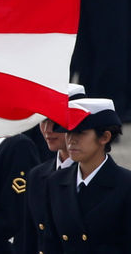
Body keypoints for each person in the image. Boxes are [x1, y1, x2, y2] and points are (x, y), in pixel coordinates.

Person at [43, 98, 131, 252]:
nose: (70, 140)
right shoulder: (55, 181)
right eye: (68, 132)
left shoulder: (125, 185)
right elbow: (51, 243)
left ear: (105, 137)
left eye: (80, 133)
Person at [17, 84, 85, 254]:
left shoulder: (91, 174)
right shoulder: (37, 175)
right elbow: (27, 239)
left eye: (56, 121)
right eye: (43, 120)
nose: (48, 130)